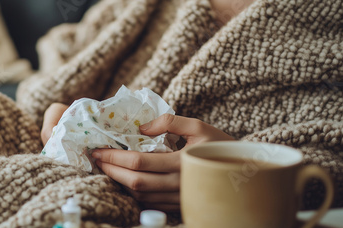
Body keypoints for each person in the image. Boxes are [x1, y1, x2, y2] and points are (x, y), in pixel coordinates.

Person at [40, 0, 254, 213]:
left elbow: (281, 166)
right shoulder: (136, 7)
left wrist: (245, 168)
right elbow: (63, 45)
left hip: (215, 220)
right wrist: (58, 107)